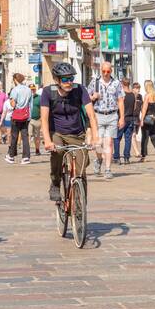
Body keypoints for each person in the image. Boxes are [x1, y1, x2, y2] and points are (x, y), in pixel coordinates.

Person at [40, 61, 99, 203]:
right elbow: (44, 119)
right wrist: (47, 140)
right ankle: (55, 182)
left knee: (81, 168)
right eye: (65, 79)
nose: (69, 82)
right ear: (57, 80)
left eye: (71, 78)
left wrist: (95, 137)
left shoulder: (80, 90)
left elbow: (91, 115)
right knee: (58, 152)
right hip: (57, 133)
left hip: (77, 134)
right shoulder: (48, 92)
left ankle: (80, 202)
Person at [87, 61, 123, 179]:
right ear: (100, 70)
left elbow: (120, 100)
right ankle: (98, 159)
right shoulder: (95, 82)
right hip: (98, 115)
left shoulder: (116, 83)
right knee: (98, 143)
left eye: (108, 71)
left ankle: (108, 169)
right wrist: (93, 97)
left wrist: (122, 117)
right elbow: (87, 99)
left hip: (112, 115)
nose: (106, 73)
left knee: (109, 143)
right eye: (103, 71)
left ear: (111, 71)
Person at [5, 73, 34, 164]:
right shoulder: (28, 90)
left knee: (14, 136)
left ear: (15, 80)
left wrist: (10, 100)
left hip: (16, 115)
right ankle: (26, 157)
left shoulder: (15, 90)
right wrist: (30, 116)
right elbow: (31, 105)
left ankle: (11, 156)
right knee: (25, 137)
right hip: (26, 116)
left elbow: (13, 104)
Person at [137, 79, 155, 163]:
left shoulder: (147, 96)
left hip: (147, 119)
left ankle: (143, 156)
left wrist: (141, 120)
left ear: (147, 87)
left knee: (145, 138)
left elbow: (144, 109)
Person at [116, 79, 140, 164]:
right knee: (128, 139)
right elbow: (134, 107)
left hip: (121, 118)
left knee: (117, 138)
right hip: (130, 119)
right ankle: (126, 158)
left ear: (122, 84)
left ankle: (117, 157)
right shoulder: (133, 94)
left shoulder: (121, 95)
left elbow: (118, 106)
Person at [27, 82, 43, 156]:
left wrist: (42, 119)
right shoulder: (26, 97)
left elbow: (42, 109)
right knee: (29, 135)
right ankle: (27, 150)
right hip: (29, 119)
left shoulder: (39, 97)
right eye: (31, 90)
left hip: (37, 119)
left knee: (37, 136)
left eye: (33, 89)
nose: (32, 91)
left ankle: (37, 149)